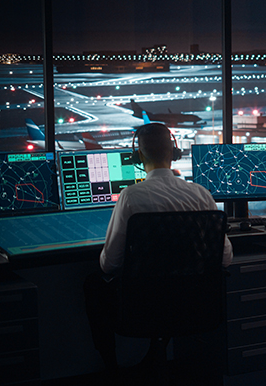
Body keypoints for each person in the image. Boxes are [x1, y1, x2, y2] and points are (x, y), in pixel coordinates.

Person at [84, 122, 233, 372]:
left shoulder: (131, 196)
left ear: (138, 156)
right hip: (194, 304)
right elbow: (225, 259)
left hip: (143, 307)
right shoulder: (202, 195)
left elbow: (109, 264)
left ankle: (111, 368)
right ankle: (157, 354)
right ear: (174, 154)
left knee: (92, 283)